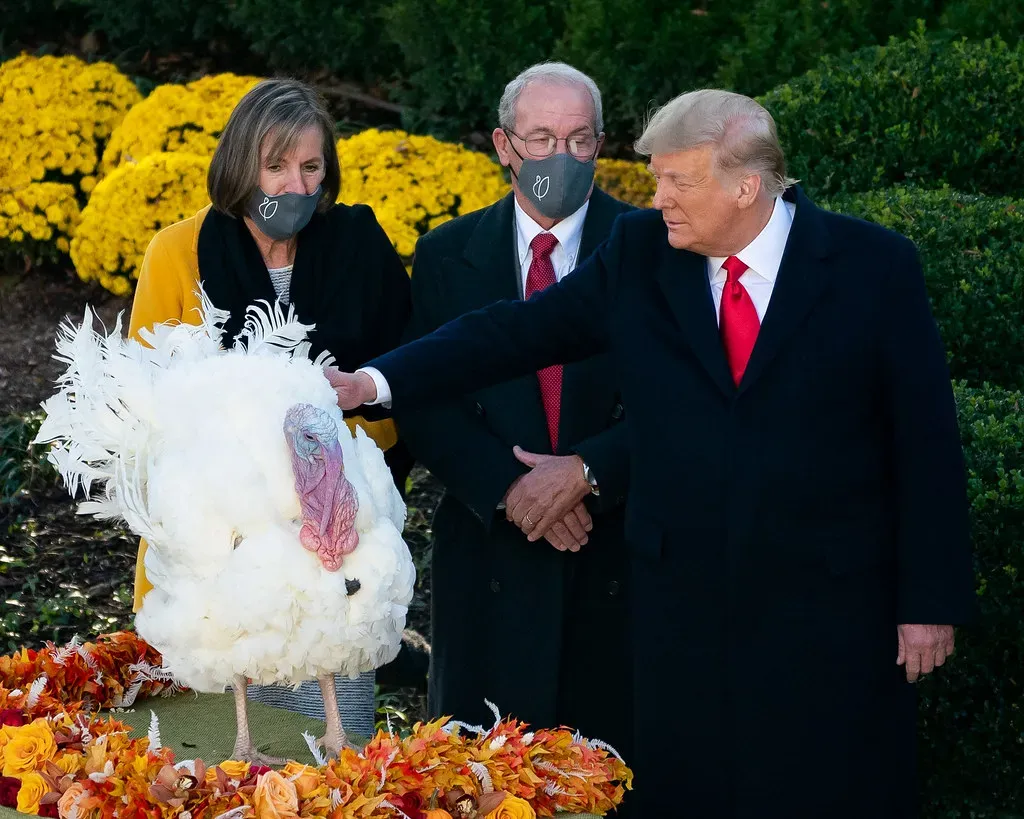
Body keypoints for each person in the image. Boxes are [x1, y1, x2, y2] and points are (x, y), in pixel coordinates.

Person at [325, 89, 975, 817]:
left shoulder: (872, 267)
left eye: (677, 180)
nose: (656, 196)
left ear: (746, 186)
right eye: (656, 176)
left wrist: (930, 601)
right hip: (679, 615)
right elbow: (514, 331)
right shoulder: (641, 254)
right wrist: (375, 381)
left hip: (828, 612)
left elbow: (925, 442)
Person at [129, 77, 412, 739]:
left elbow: (403, 379)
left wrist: (331, 452)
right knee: (230, 769)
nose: (294, 185)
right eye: (276, 165)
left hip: (333, 564)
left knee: (333, 771)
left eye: (311, 167)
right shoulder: (175, 252)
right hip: (216, 578)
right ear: (239, 167)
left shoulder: (361, 246)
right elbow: (145, 415)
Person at [392, 62, 635, 762]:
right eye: (541, 138)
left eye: (580, 140)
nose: (561, 157)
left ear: (601, 145)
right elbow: (424, 396)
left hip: (613, 556)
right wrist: (512, 486)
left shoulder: (651, 250)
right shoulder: (445, 255)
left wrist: (588, 472)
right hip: (489, 558)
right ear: (504, 146)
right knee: (479, 782)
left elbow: (679, 403)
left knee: (611, 781)